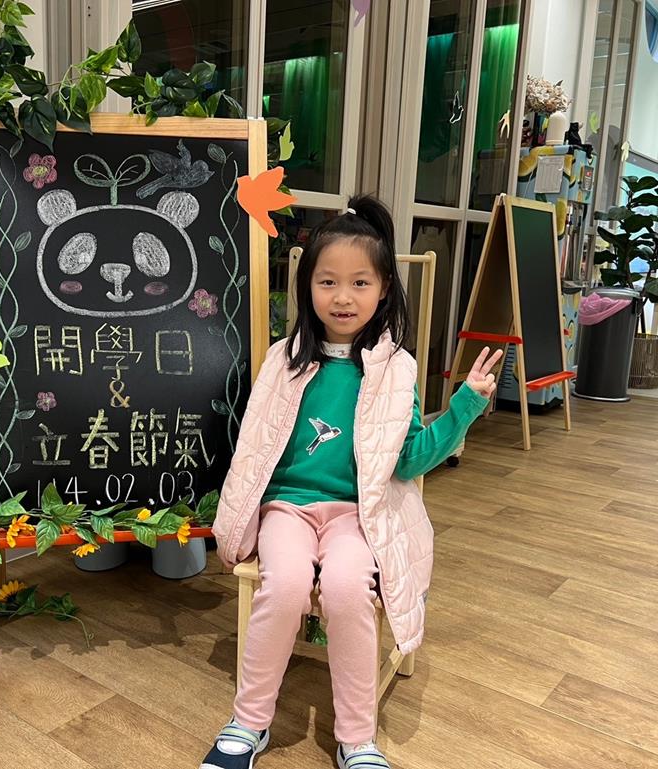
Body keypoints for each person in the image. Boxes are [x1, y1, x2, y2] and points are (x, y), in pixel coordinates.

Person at [204, 195, 502, 769]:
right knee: (285, 586)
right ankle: (249, 721)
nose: (343, 297)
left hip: (357, 515)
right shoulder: (283, 360)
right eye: (328, 282)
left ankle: (357, 739)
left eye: (360, 283)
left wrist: (464, 406)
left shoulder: (397, 370)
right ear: (307, 288)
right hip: (287, 509)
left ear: (384, 288)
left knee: (346, 589)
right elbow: (255, 448)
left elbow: (409, 461)